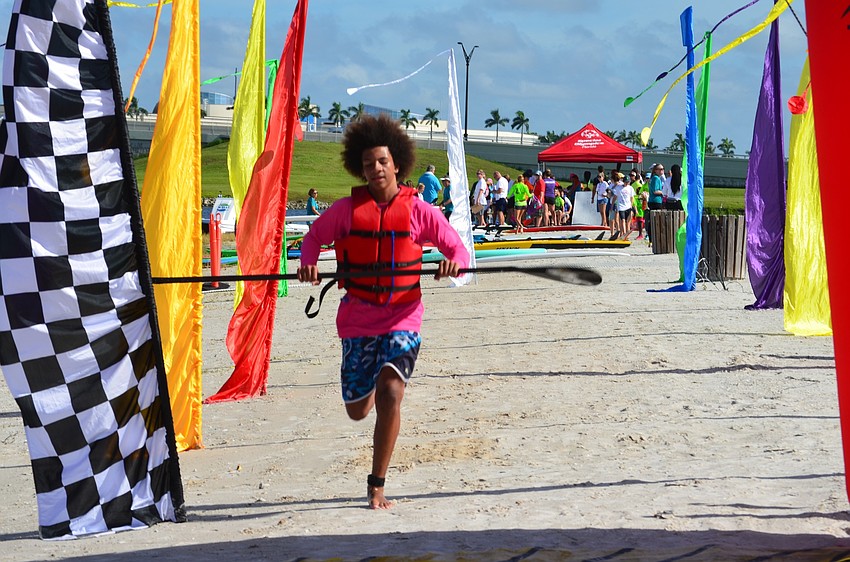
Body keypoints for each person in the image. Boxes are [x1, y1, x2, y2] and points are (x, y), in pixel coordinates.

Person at [297, 114, 469, 510]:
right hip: (357, 320)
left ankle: (377, 483)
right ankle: (372, 385)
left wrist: (452, 263)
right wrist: (308, 262)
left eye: (382, 162)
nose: (375, 169)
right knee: (358, 411)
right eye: (368, 163)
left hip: (403, 316)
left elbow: (456, 247)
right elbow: (313, 239)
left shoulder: (420, 211)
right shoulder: (345, 210)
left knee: (392, 391)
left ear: (397, 165)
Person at [646, 163, 665, 243]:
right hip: (656, 201)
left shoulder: (655, 178)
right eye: (660, 169)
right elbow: (655, 191)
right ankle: (653, 237)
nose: (662, 171)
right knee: (656, 219)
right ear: (655, 170)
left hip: (653, 201)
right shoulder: (656, 178)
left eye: (663, 169)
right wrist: (663, 192)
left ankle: (651, 237)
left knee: (652, 219)